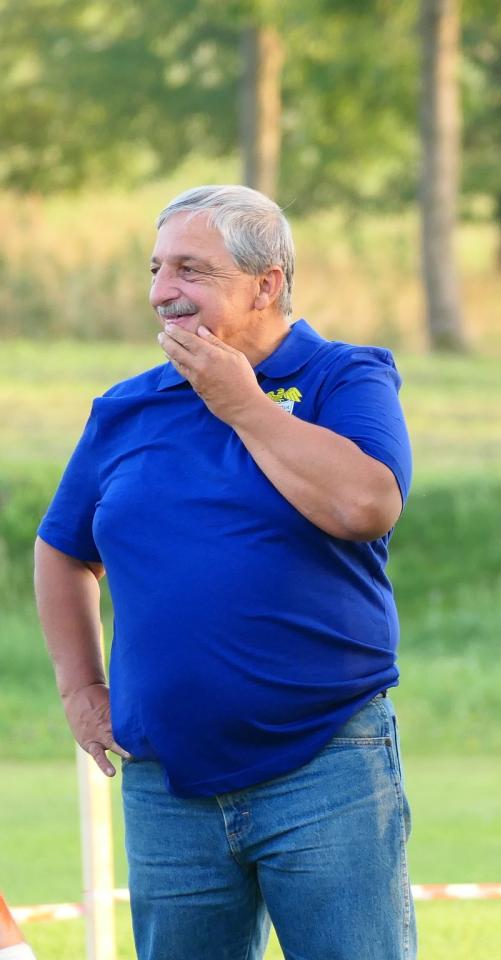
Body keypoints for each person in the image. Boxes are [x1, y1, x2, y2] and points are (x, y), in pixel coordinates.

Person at [34, 186, 416, 960]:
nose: (161, 291)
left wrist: (242, 403)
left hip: (325, 765)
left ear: (265, 284)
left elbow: (368, 505)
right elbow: (62, 549)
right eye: (155, 269)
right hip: (165, 786)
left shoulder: (344, 378)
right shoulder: (126, 409)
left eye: (190, 270)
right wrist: (80, 687)